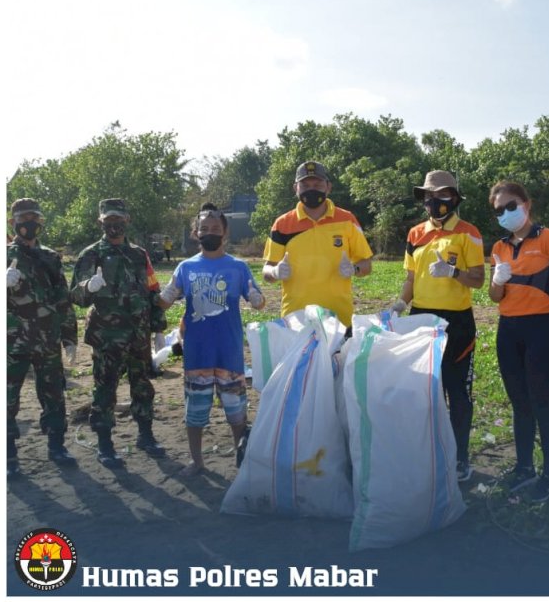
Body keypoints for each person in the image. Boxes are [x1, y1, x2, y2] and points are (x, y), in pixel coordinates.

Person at [390, 170, 485, 482]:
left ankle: (460, 458)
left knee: (457, 391)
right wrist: (400, 305)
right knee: (424, 393)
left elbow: (479, 280)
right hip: (421, 319)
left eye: (442, 195)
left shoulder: (468, 233)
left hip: (457, 322)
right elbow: (410, 278)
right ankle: (428, 453)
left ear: (455, 198)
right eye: (429, 196)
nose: (435, 201)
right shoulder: (415, 233)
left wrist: (453, 272)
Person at [158, 204, 265, 475]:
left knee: (237, 412)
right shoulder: (185, 268)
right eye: (204, 228)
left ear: (225, 233)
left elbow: (259, 302)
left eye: (215, 229)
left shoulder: (238, 267)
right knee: (195, 412)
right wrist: (163, 296)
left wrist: (257, 298)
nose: (210, 232)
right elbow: (164, 302)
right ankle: (197, 462)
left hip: (229, 353)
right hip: (197, 353)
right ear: (195, 233)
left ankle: (243, 463)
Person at [487, 181, 549, 501]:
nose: (506, 213)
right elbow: (494, 295)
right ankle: (524, 467)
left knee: (543, 403)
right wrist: (498, 280)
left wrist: (547, 306)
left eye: (512, 206)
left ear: (527, 204)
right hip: (508, 329)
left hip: (542, 329)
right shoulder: (498, 247)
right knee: (519, 403)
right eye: (499, 210)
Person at [70, 198, 168, 468]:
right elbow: (75, 296)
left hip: (138, 334)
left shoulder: (139, 254)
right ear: (100, 222)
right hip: (107, 336)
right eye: (109, 220)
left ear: (127, 221)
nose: (114, 225)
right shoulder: (90, 254)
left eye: (119, 220)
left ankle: (145, 436)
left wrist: (158, 327)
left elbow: (152, 290)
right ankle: (105, 444)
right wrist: (88, 286)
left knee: (142, 386)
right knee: (105, 390)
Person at [7, 199, 79, 477]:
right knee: (7, 398)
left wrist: (69, 336)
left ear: (40, 222)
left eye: (33, 218)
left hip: (47, 339)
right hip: (13, 341)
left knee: (53, 395)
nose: (29, 223)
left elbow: (63, 299)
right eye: (23, 218)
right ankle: (9, 455)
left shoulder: (50, 256)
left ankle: (56, 445)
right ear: (13, 222)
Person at [262, 161, 373, 329]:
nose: (311, 189)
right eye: (305, 185)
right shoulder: (282, 224)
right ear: (296, 188)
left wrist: (354, 269)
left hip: (340, 320)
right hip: (296, 321)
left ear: (328, 187)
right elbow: (266, 271)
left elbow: (367, 265)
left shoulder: (348, 220)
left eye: (317, 184)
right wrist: (275, 271)